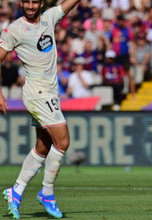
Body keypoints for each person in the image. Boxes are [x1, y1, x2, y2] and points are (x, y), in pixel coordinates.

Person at [0, 0, 82, 218]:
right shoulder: (15, 29)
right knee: (63, 141)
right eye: (26, 1)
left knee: (43, 146)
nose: (29, 5)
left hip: (49, 93)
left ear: (41, 3)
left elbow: (69, 4)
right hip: (37, 94)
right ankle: (47, 193)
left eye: (34, 1)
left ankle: (15, 191)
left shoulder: (49, 18)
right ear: (20, 3)